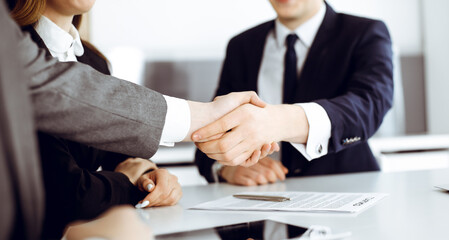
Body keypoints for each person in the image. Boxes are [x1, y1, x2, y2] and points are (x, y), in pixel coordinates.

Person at [6, 0, 185, 237]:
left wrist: (147, 178)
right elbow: (70, 194)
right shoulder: (12, 54)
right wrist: (127, 182)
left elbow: (119, 155)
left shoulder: (93, 61)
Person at [194, 0, 393, 185]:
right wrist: (225, 167)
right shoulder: (242, 46)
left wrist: (275, 122)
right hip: (263, 202)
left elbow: (370, 105)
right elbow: (209, 132)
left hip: (346, 195)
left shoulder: (364, 33)